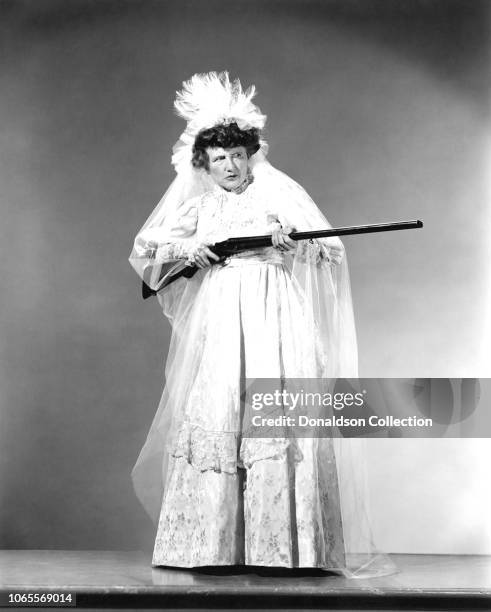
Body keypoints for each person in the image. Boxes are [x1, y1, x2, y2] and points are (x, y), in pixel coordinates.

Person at [129, 72, 395, 577]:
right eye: (219, 157)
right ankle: (210, 547)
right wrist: (192, 249)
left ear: (251, 154)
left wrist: (294, 241)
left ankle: (285, 549)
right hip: (223, 317)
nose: (230, 165)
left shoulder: (279, 196)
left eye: (237, 154)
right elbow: (149, 247)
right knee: (222, 409)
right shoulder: (201, 205)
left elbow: (329, 248)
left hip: (274, 314)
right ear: (203, 163)